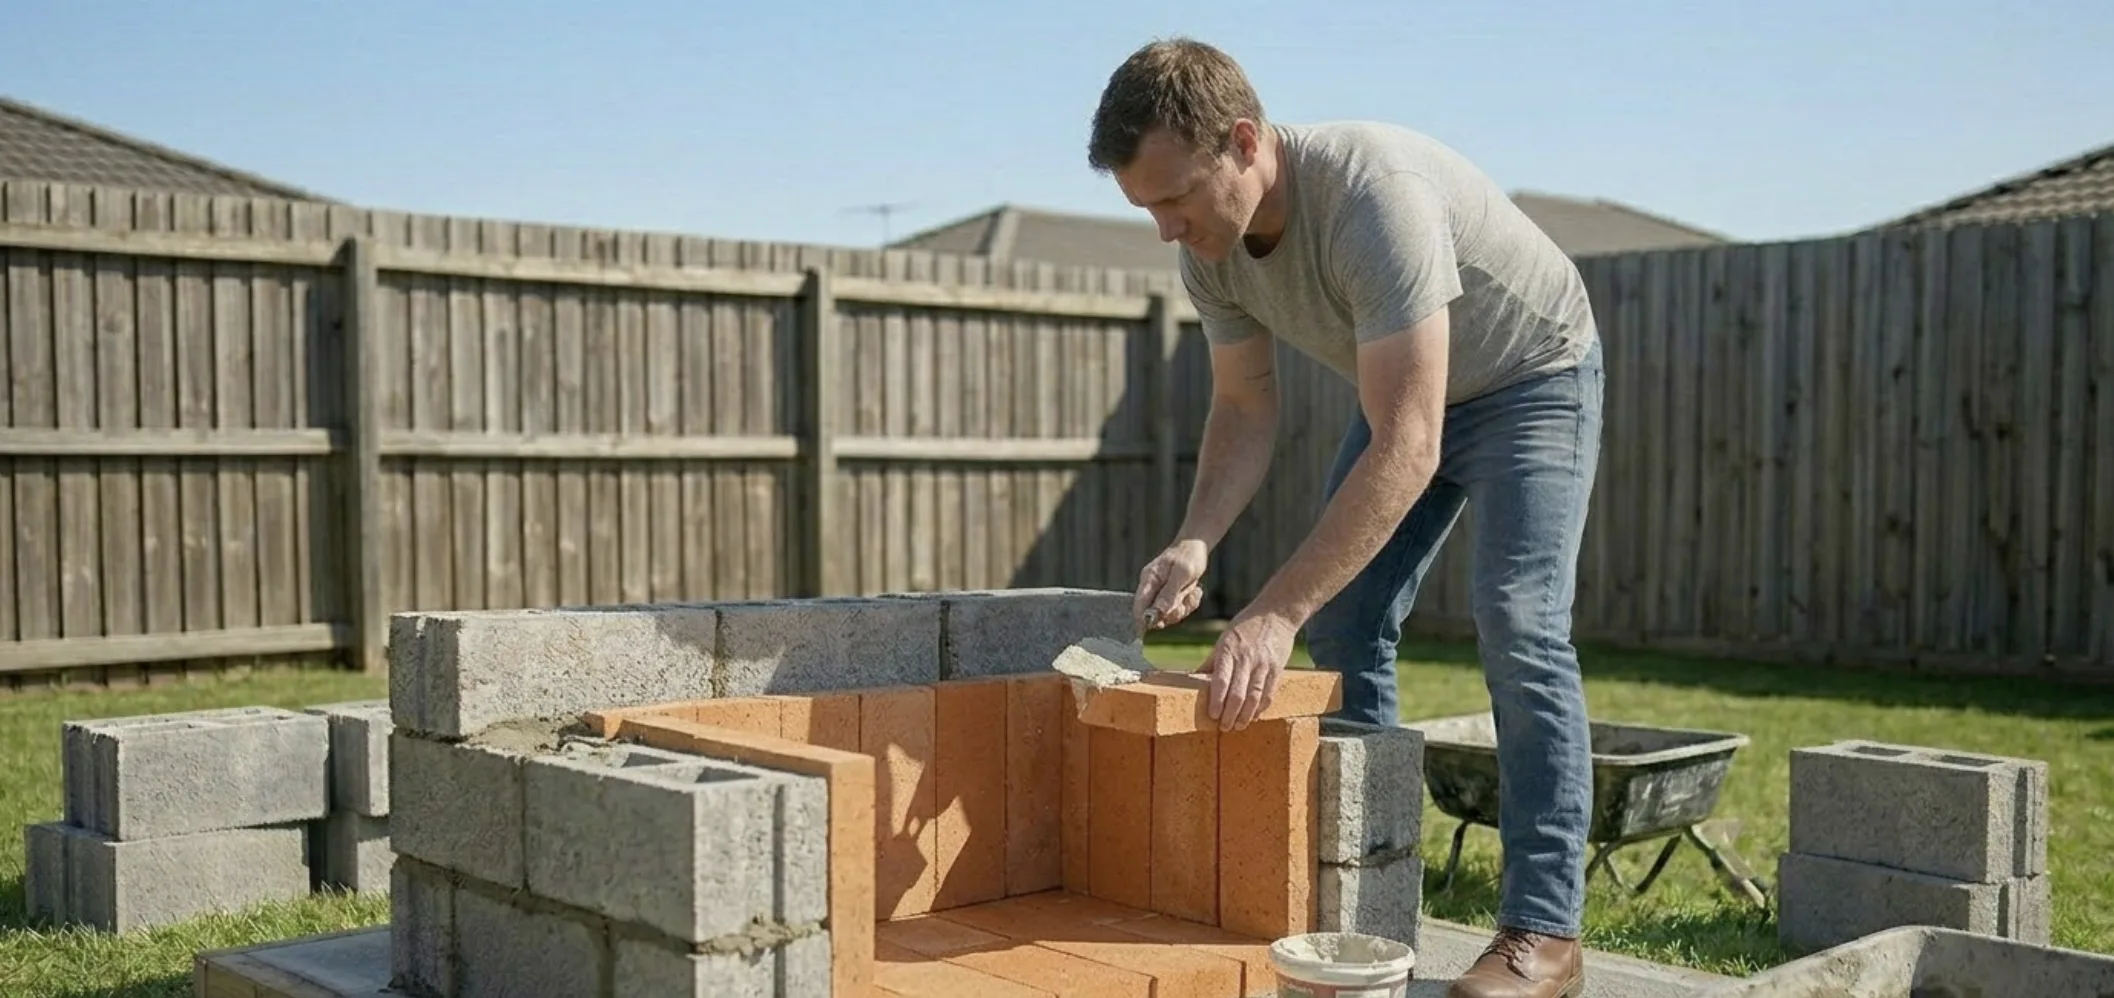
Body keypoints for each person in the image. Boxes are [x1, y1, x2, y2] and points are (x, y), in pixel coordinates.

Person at [1091, 37, 1604, 998]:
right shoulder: (1212, 250)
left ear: (1244, 142)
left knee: (1517, 616)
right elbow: (1244, 408)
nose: (1165, 229)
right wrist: (1198, 538)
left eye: (1174, 199)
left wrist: (1271, 612)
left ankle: (1546, 932)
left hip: (1531, 376)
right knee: (1349, 617)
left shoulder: (1374, 197)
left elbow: (1407, 445)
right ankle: (1367, 895)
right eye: (1145, 207)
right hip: (1412, 401)